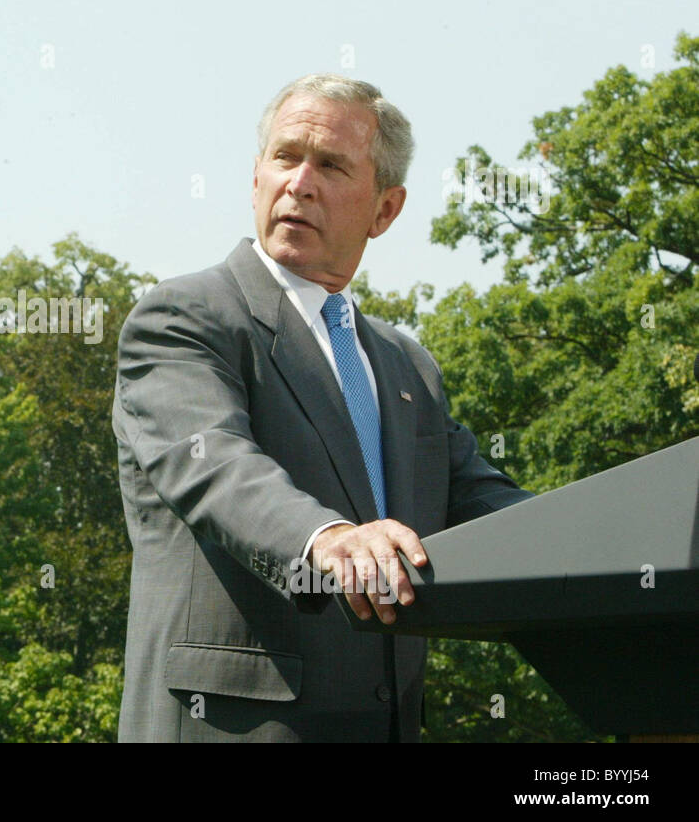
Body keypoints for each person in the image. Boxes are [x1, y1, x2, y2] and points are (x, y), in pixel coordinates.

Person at [112, 74, 533, 742]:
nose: (300, 183)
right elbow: (216, 464)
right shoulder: (186, 317)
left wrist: (626, 548)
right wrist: (330, 541)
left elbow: (489, 507)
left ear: (385, 210)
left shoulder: (407, 367)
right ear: (256, 177)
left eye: (331, 165)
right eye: (285, 157)